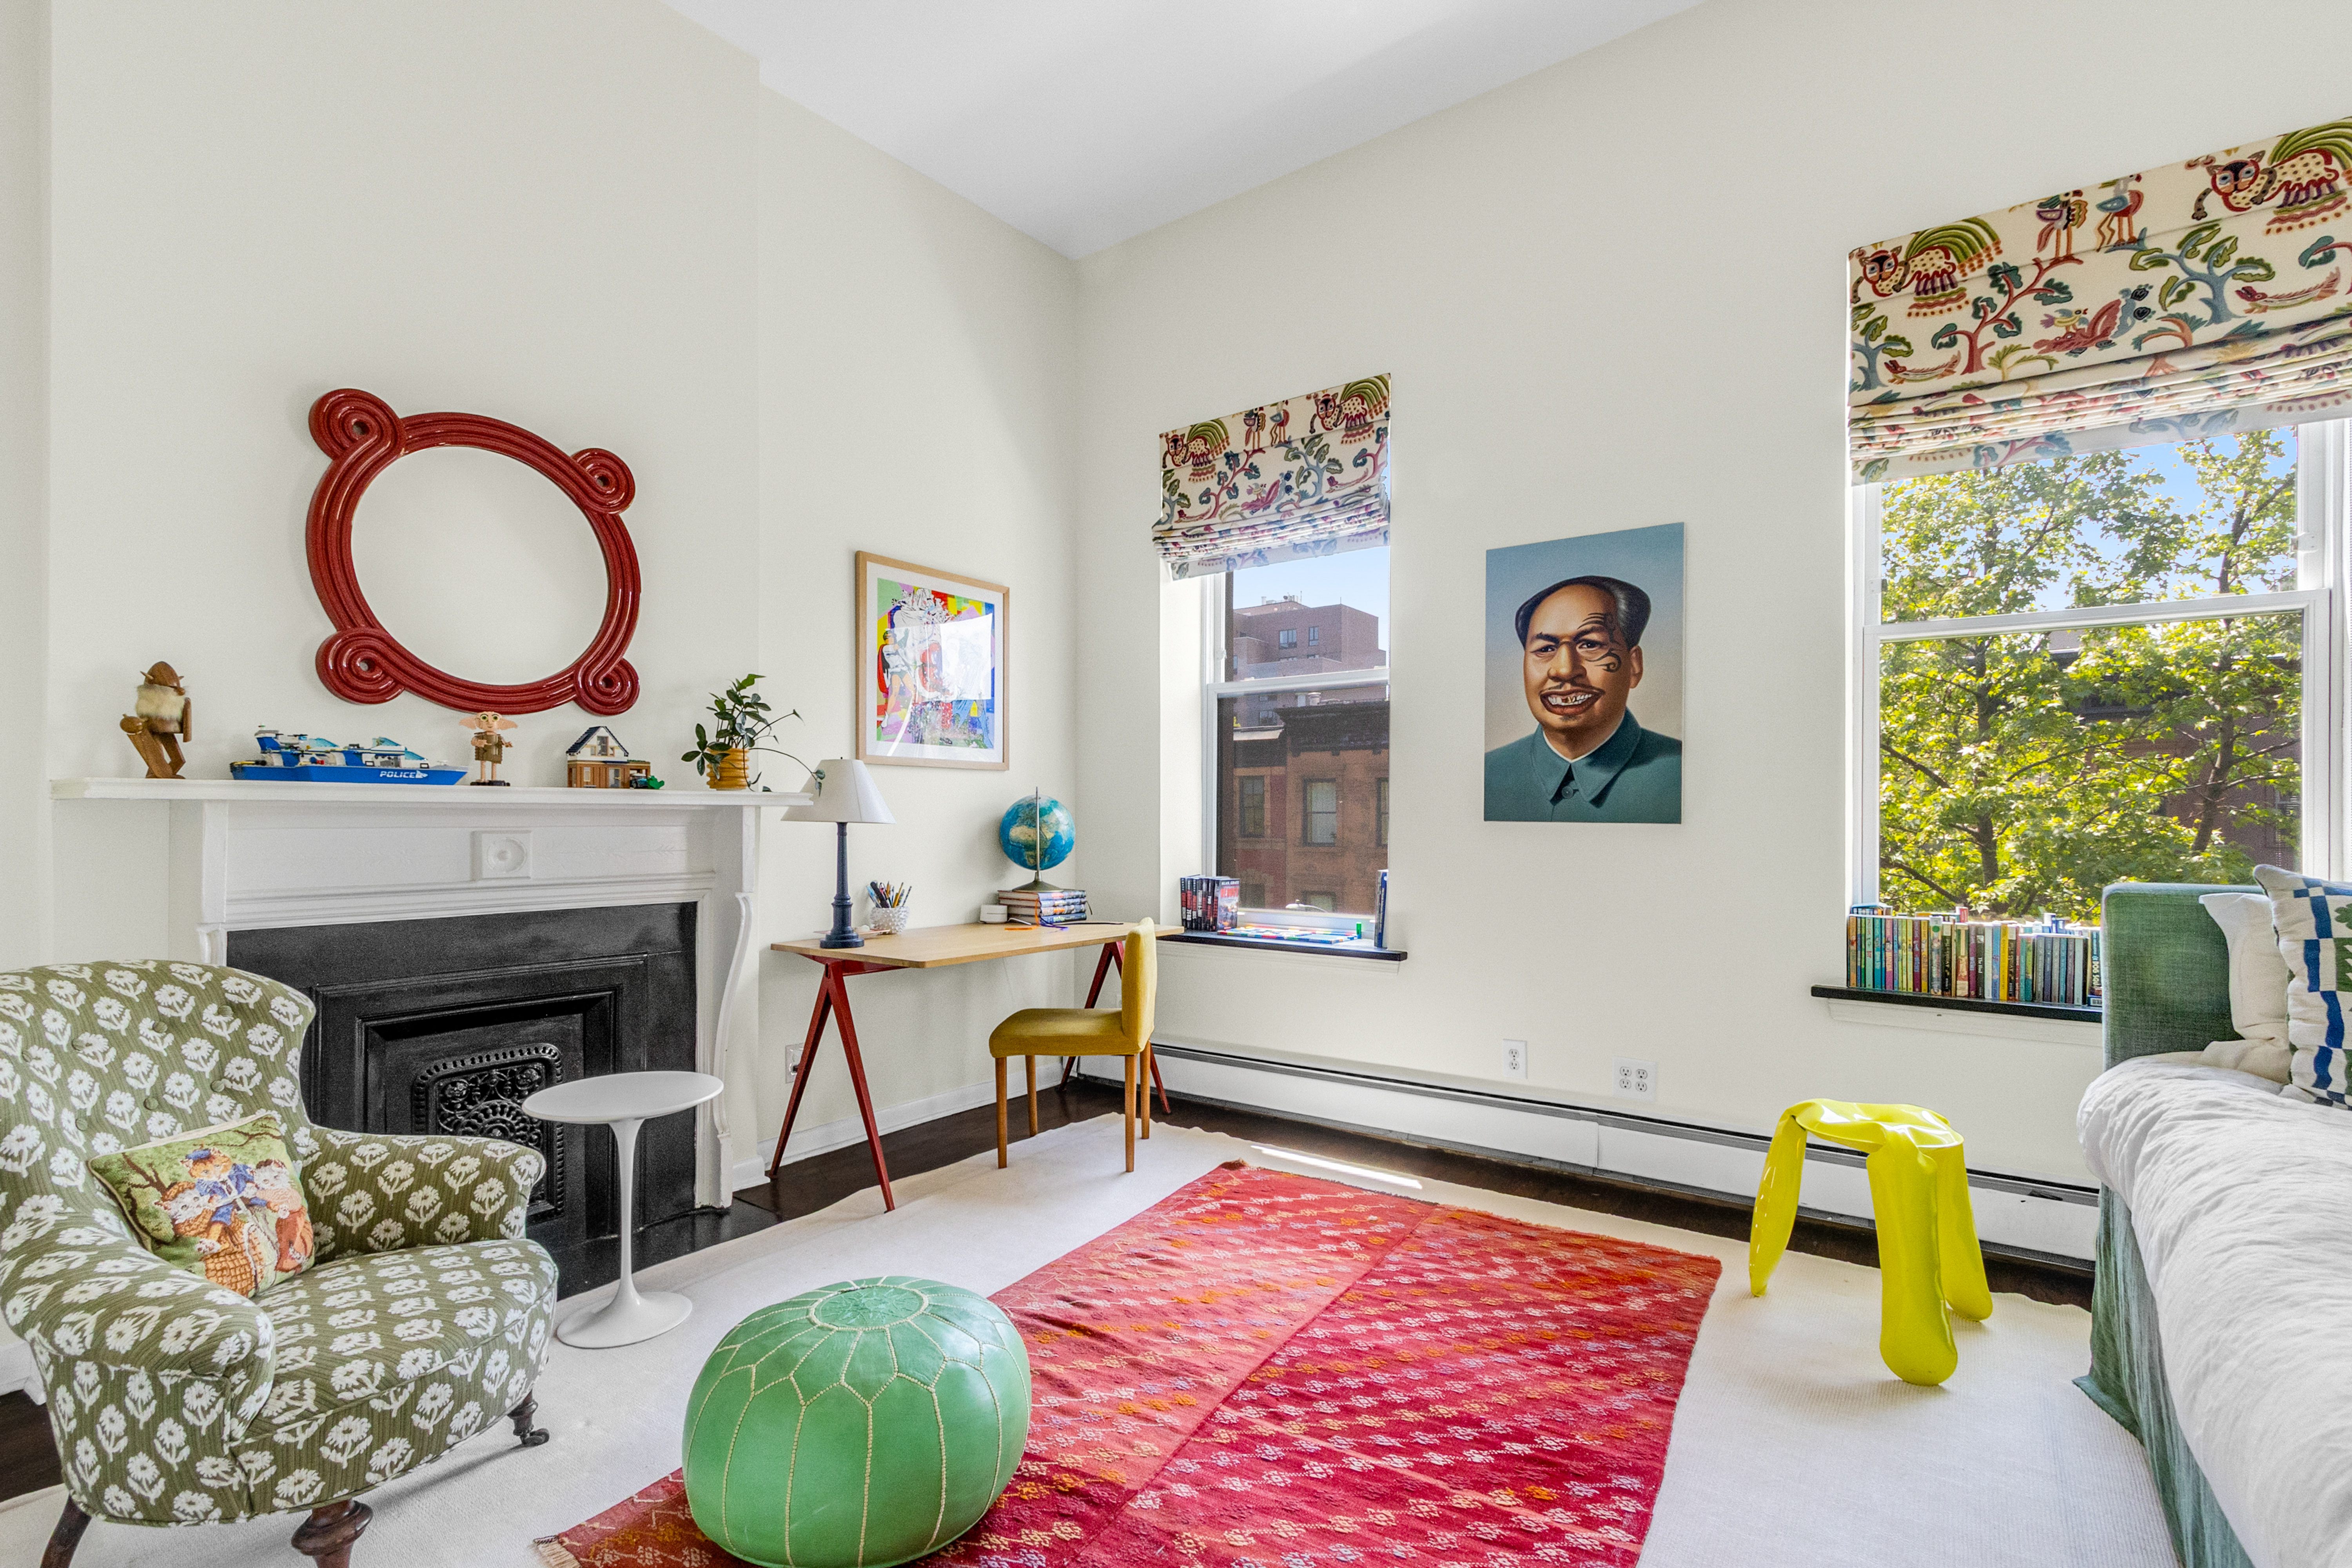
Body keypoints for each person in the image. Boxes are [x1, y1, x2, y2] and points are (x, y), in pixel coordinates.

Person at [1484, 574, 1681, 822]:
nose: (1564, 670)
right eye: (1546, 649)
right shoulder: (1488, 775)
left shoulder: (1683, 774)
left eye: (1589, 644)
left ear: (1634, 666)